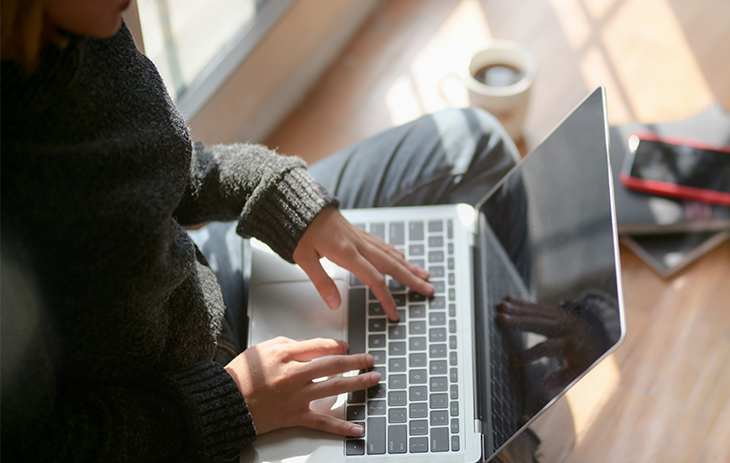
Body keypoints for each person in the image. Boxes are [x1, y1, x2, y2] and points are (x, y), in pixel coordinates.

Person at [1, 1, 529, 462]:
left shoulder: (82, 26)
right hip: (181, 419)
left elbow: (161, 171)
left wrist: (286, 201)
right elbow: (39, 444)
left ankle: (517, 404)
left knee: (476, 145)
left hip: (202, 290)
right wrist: (234, 402)